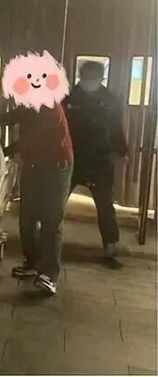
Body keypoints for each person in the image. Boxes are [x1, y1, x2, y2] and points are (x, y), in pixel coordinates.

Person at [0, 103, 73, 296]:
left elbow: (30, 139)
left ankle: (49, 275)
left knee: (51, 221)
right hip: (34, 164)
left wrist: (0, 152)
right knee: (27, 217)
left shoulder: (48, 104)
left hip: (56, 166)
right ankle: (32, 263)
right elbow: (14, 117)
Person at [64, 61, 128, 265]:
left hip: (100, 159)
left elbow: (116, 127)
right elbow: (59, 127)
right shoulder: (69, 98)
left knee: (105, 205)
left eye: (94, 78)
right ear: (80, 77)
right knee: (56, 202)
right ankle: (45, 241)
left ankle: (111, 246)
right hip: (72, 157)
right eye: (86, 77)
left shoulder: (110, 100)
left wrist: (121, 151)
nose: (89, 82)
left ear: (101, 79)